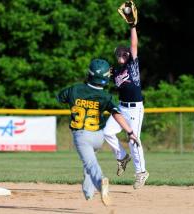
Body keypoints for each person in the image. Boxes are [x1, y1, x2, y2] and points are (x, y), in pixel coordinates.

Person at [57, 58, 140, 206]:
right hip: (98, 136)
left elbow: (60, 97)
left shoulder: (75, 89)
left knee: (90, 164)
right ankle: (88, 192)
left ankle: (100, 181)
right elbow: (117, 114)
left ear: (89, 74)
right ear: (106, 78)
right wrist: (129, 131)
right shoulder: (106, 96)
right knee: (90, 160)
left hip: (81, 135)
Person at [103, 21, 149, 189]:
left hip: (135, 108)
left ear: (128, 55)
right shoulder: (115, 71)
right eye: (119, 55)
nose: (121, 56)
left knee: (133, 140)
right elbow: (102, 75)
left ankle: (141, 172)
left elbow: (134, 44)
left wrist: (132, 26)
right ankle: (122, 157)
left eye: (124, 54)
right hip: (121, 108)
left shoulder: (133, 65)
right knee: (107, 132)